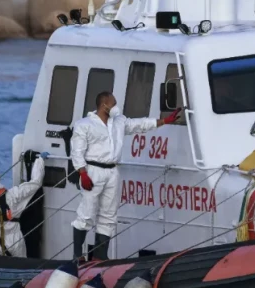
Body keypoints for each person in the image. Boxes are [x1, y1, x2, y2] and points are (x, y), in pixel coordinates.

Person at [71, 91, 180, 261]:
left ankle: (100, 256)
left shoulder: (119, 122)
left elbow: (139, 125)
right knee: (86, 213)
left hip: (112, 171)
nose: (116, 106)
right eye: (113, 103)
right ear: (103, 105)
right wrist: (82, 172)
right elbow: (77, 151)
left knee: (108, 215)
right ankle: (77, 255)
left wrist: (164, 121)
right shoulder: (84, 125)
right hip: (93, 170)